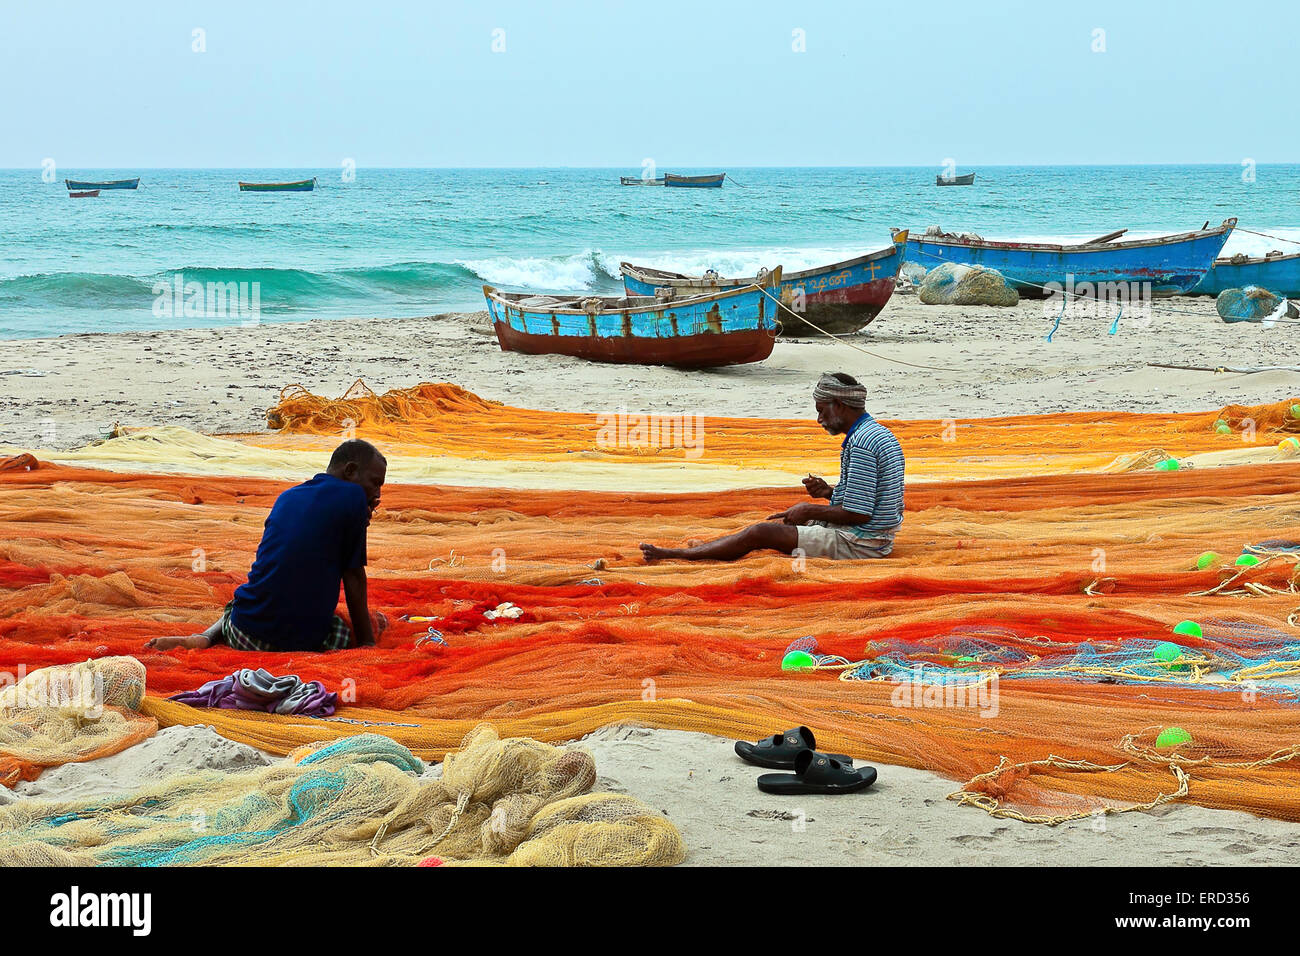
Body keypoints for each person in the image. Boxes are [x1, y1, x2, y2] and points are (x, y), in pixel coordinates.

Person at [146, 439, 388, 651]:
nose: (377, 493)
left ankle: (206, 636)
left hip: (244, 635)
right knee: (348, 626)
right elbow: (353, 575)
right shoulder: (353, 497)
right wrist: (366, 642)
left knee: (241, 601)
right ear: (350, 471)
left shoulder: (288, 496)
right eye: (375, 482)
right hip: (303, 644)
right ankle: (207, 637)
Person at [639, 372, 904, 562]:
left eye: (822, 410)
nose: (819, 419)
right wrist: (827, 493)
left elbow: (859, 514)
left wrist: (808, 508)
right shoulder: (875, 434)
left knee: (761, 531)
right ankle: (709, 549)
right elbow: (868, 497)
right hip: (870, 536)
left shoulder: (862, 444)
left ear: (840, 405)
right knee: (786, 523)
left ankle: (681, 555)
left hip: (863, 543)